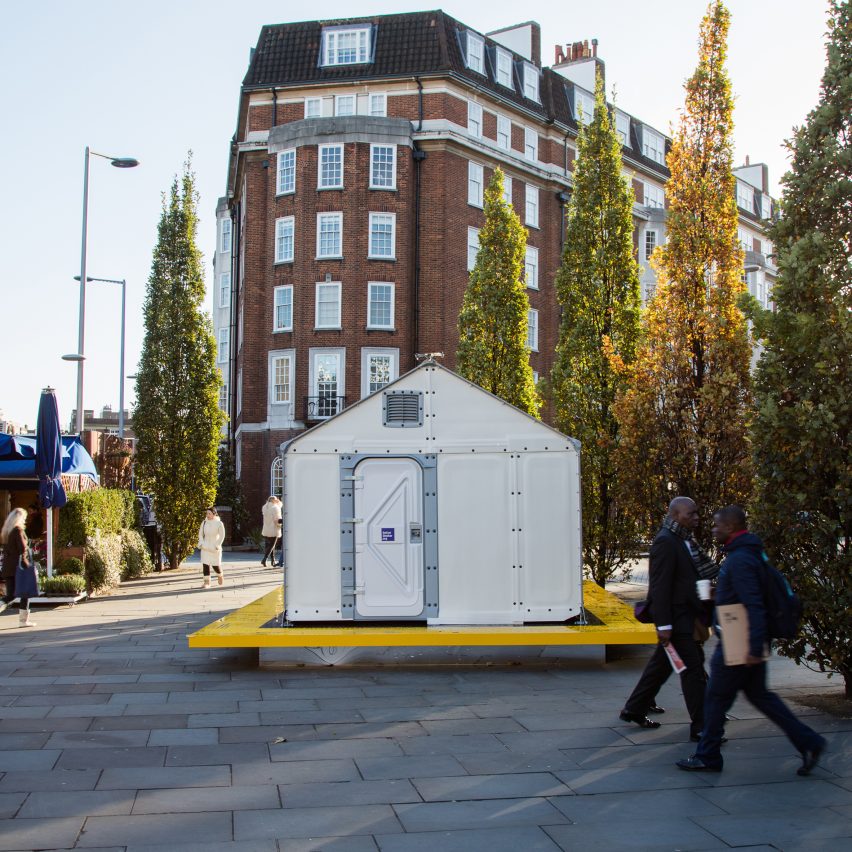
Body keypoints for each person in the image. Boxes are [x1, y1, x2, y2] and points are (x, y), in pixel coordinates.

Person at [677, 506, 827, 775]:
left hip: (739, 640)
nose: (713, 529)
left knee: (714, 697)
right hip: (745, 638)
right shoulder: (746, 553)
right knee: (761, 696)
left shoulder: (740, 559)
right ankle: (809, 741)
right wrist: (719, 594)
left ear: (731, 527)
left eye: (716, 525)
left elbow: (754, 604)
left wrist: (754, 648)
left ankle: (708, 755)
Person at [620, 496, 708, 741]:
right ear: (675, 515)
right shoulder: (666, 542)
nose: (696, 517)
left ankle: (634, 708)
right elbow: (659, 588)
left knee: (660, 667)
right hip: (677, 621)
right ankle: (702, 727)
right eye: (691, 513)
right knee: (693, 672)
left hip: (684, 617)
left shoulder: (683, 540)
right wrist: (664, 625)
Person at [1, 508, 37, 627]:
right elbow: (22, 549)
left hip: (8, 567)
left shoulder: (6, 531)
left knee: (10, 595)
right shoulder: (18, 530)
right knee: (25, 593)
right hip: (20, 566)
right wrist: (28, 546)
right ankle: (23, 621)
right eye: (24, 518)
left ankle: (22, 620)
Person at [197, 507, 226, 588]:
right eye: (207, 513)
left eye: (209, 513)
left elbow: (222, 536)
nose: (208, 515)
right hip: (205, 546)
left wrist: (217, 545)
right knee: (205, 564)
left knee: (215, 564)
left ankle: (220, 575)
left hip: (214, 547)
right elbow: (200, 534)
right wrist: (202, 543)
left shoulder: (219, 523)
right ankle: (207, 582)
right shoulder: (204, 522)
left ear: (214, 514)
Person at [260, 496, 282, 568]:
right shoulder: (275, 508)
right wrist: (280, 524)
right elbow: (277, 519)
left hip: (267, 529)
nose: (277, 500)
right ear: (273, 501)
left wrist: (278, 504)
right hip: (274, 528)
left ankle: (273, 561)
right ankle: (264, 559)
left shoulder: (265, 507)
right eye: (276, 499)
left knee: (272, 545)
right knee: (272, 545)